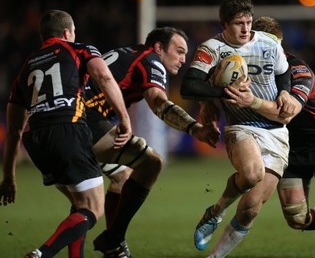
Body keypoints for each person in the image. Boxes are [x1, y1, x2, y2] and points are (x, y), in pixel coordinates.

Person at [0, 9, 132, 258]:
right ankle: (42, 253)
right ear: (67, 32)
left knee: (79, 205)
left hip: (37, 140)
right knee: (94, 207)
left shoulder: (26, 67)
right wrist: (124, 118)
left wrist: (8, 177)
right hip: (68, 130)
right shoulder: (80, 49)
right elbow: (103, 76)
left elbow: (14, 130)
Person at [84, 26, 220, 257]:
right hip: (84, 122)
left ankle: (114, 246)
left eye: (185, 54)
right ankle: (113, 239)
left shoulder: (130, 54)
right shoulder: (151, 60)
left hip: (69, 119)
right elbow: (158, 103)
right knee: (152, 163)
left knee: (121, 177)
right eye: (178, 51)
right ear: (158, 48)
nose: (182, 59)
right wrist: (195, 129)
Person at [180, 0, 297, 258]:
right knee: (252, 174)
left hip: (277, 132)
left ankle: (216, 254)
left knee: (251, 208)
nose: (245, 29)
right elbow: (190, 85)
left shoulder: (267, 42)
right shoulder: (212, 48)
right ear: (224, 24)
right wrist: (223, 94)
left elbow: (283, 72)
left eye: (248, 22)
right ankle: (217, 212)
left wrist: (286, 92)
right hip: (242, 125)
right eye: (238, 23)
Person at [250, 16, 315, 258]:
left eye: (271, 44)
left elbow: (288, 113)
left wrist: (250, 101)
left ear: (280, 44)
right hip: (293, 150)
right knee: (297, 219)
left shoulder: (298, 70)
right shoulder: (250, 71)